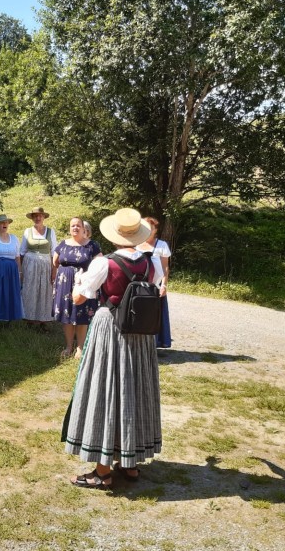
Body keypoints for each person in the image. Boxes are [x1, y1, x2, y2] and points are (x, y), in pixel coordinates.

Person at [62, 208, 163, 488]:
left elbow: (79, 298)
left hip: (112, 329)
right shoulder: (150, 262)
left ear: (115, 235)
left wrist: (79, 283)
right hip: (140, 334)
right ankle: (129, 465)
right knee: (133, 390)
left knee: (105, 390)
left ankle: (102, 471)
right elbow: (154, 289)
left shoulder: (104, 263)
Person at [52, 217, 102, 358]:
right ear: (70, 228)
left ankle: (80, 348)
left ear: (83, 228)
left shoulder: (92, 245)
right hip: (65, 283)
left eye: (78, 225)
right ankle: (68, 347)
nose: (75, 228)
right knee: (67, 315)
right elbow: (55, 262)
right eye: (72, 226)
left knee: (82, 314)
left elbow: (100, 264)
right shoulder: (63, 244)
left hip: (84, 283)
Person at [137, 217, 172, 349]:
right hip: (139, 287)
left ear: (155, 230)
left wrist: (164, 285)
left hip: (156, 287)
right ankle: (139, 344)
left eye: (151, 227)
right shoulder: (135, 244)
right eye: (145, 227)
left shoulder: (162, 245)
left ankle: (153, 345)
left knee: (155, 316)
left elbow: (165, 268)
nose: (148, 230)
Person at [20, 207, 57, 327]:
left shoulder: (51, 232)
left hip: (45, 265)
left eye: (40, 215)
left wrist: (54, 270)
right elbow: (22, 251)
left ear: (44, 217)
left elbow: (54, 253)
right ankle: (29, 319)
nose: (37, 218)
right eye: (35, 216)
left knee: (45, 291)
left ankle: (43, 321)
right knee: (30, 290)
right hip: (30, 264)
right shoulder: (27, 231)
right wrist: (21, 271)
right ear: (32, 218)